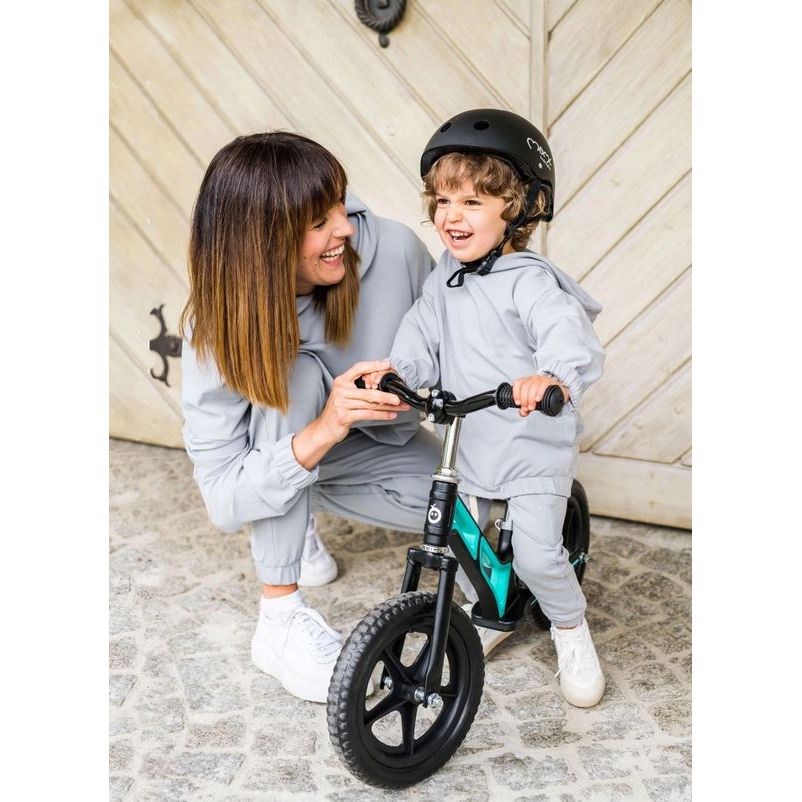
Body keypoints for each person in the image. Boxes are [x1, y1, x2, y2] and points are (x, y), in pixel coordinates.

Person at [179, 132, 441, 704]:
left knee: (476, 512)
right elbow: (223, 501)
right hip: (296, 442)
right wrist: (325, 428)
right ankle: (279, 620)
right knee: (290, 375)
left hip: (380, 448)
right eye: (319, 222)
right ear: (263, 242)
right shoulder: (220, 326)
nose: (344, 228)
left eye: (340, 205)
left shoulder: (395, 251)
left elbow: (460, 341)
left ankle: (296, 510)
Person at [363, 109, 607, 708]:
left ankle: (571, 629)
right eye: (443, 200)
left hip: (531, 444)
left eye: (472, 202)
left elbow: (565, 335)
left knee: (538, 555)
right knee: (462, 541)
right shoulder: (444, 278)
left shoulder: (531, 282)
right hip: (469, 440)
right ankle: (492, 610)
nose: (452, 215)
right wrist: (400, 373)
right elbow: (422, 331)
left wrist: (550, 378)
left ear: (517, 209)